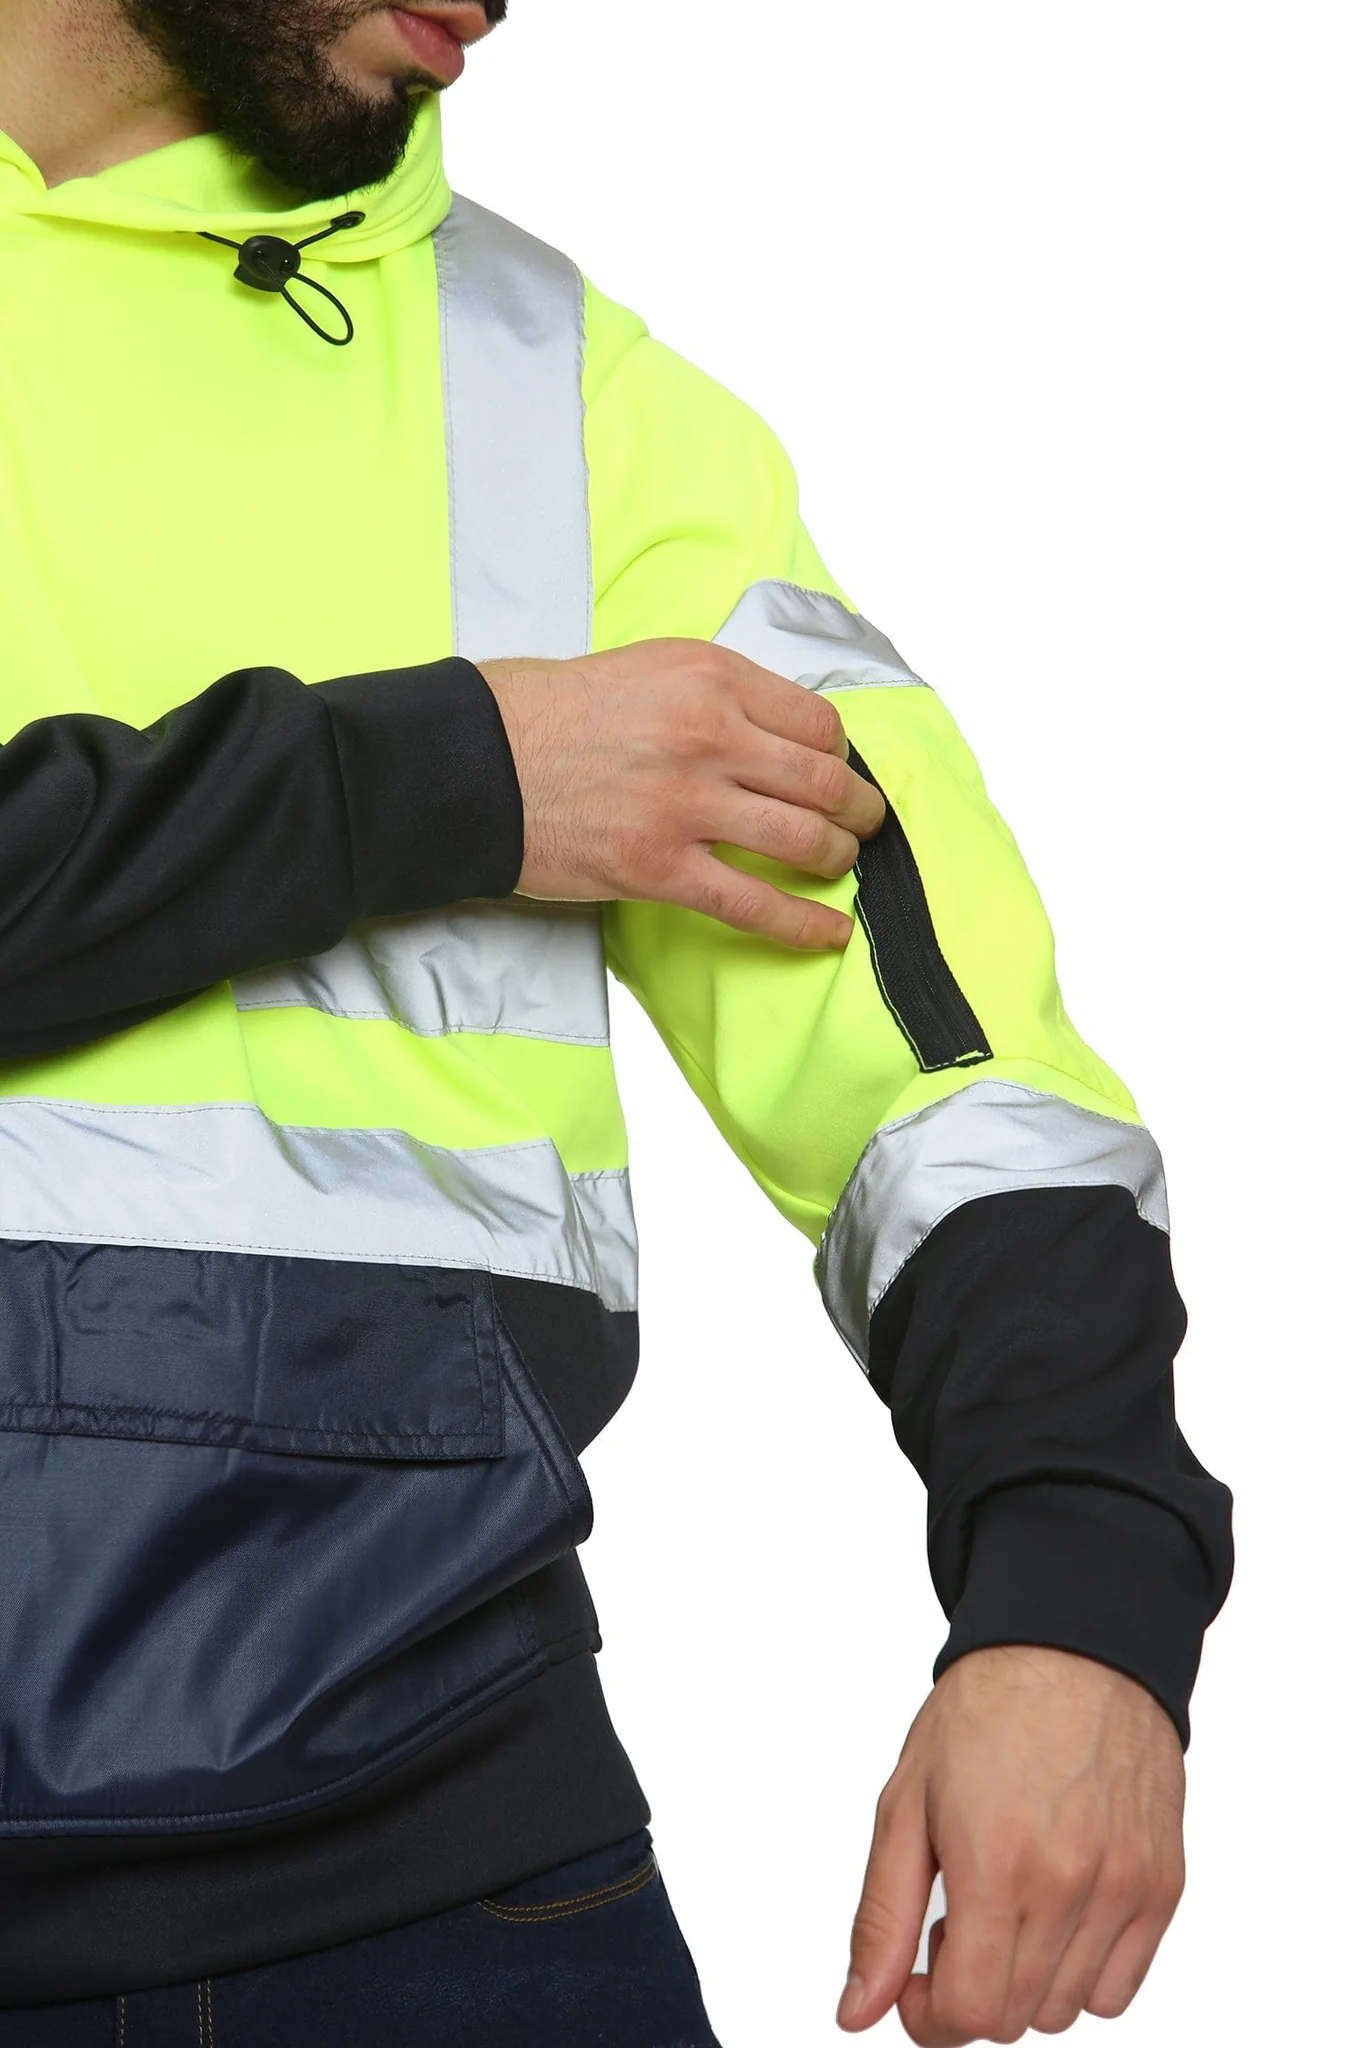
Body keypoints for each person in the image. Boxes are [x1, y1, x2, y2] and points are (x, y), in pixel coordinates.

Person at [0, 3, 1233, 2042]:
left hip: (432, 1872)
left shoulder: (555, 392)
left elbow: (939, 1068)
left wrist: (1083, 1594)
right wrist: (440, 780)